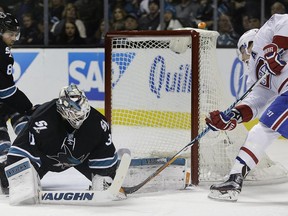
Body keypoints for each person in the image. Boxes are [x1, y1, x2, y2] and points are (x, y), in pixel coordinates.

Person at [205, 13, 288, 202]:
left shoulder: (261, 40)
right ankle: (234, 179)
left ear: (248, 44)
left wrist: (276, 46)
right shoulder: (259, 76)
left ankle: (234, 180)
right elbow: (258, 101)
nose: (243, 58)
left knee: (263, 131)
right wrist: (233, 116)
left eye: (242, 52)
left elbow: (283, 20)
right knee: (262, 130)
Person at [0, 84, 120, 201]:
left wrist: (108, 174)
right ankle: (14, 115)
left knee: (105, 179)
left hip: (79, 158)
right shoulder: (42, 119)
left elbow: (104, 151)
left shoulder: (97, 123)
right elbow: (22, 148)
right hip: (45, 158)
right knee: (11, 180)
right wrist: (20, 174)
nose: (78, 114)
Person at [0, 13, 34, 165]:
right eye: (10, 34)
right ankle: (27, 149)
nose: (14, 38)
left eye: (16, 35)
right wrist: (29, 108)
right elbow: (7, 92)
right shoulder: (4, 53)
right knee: (20, 112)